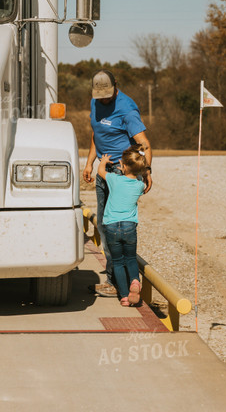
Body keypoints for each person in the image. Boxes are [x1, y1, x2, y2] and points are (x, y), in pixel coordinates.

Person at [82, 70, 152, 297]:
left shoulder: (127, 109)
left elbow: (144, 145)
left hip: (119, 173)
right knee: (103, 223)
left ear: (116, 87)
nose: (103, 99)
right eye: (99, 96)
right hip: (104, 170)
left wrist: (146, 171)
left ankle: (118, 282)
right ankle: (119, 277)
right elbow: (96, 134)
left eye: (107, 95)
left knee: (114, 225)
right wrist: (89, 163)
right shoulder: (95, 103)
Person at [96, 145, 149, 306]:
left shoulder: (114, 179)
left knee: (118, 261)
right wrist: (135, 169)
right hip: (129, 227)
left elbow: (100, 172)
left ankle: (125, 297)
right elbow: (140, 178)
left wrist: (104, 161)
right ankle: (134, 281)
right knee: (131, 258)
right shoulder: (139, 185)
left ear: (123, 166)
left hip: (111, 226)